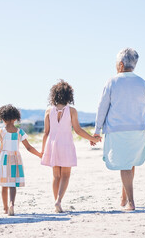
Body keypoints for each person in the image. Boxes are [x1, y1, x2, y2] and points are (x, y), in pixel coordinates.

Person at [94, 48, 145, 211]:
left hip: (118, 130)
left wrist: (97, 130)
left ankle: (131, 202)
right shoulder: (143, 82)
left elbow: (102, 107)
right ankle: (124, 198)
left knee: (124, 165)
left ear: (121, 64)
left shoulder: (112, 82)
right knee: (130, 163)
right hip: (139, 130)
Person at [41, 80, 101, 213]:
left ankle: (56, 201)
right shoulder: (72, 111)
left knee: (56, 176)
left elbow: (46, 133)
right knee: (66, 175)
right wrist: (92, 138)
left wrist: (43, 150)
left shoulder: (48, 110)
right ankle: (59, 201)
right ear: (69, 95)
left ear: (54, 95)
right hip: (66, 144)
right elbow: (78, 130)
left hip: (52, 145)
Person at [0, 105, 42, 216]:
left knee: (4, 185)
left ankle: (5, 208)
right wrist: (39, 154)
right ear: (15, 119)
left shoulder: (0, 132)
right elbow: (29, 147)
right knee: (12, 184)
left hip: (3, 159)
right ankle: (11, 204)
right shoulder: (20, 132)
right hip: (15, 159)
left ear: (2, 119)